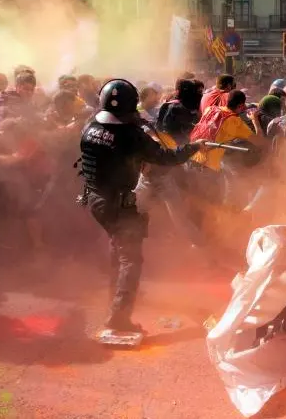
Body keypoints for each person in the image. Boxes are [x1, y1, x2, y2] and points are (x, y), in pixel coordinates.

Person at [79, 79, 208, 333]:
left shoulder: (90, 126)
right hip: (119, 203)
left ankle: (115, 300)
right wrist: (193, 147)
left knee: (117, 249)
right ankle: (119, 317)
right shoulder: (130, 135)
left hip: (95, 199)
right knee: (131, 259)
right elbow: (166, 157)